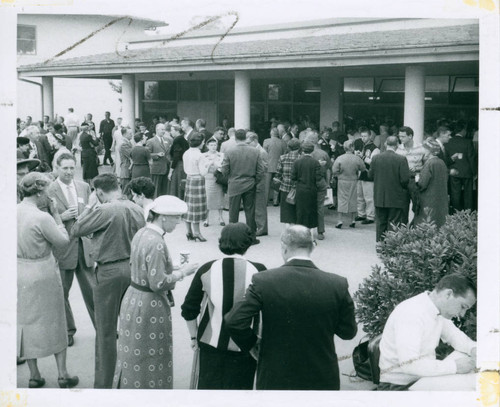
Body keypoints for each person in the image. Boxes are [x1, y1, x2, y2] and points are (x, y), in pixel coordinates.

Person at [225, 225, 357, 390]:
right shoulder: (337, 284)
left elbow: (234, 320)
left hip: (276, 375)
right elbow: (348, 332)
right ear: (313, 246)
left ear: (284, 247)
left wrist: (252, 344)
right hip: (321, 375)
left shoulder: (263, 281)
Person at [113, 196, 198, 389]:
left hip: (133, 298)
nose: (179, 222)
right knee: (151, 355)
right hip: (149, 305)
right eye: (176, 217)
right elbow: (158, 283)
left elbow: (143, 265)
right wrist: (182, 272)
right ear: (163, 217)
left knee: (133, 353)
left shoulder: (142, 233)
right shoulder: (157, 242)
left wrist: (170, 266)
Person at [71, 173, 146, 388]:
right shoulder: (136, 208)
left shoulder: (105, 209)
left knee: (105, 332)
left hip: (109, 271)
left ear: (99, 192)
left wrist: (90, 207)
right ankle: (131, 379)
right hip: (133, 269)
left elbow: (76, 229)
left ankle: (103, 385)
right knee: (132, 327)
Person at [181, 223, 267, 389]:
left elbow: (189, 309)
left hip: (210, 344)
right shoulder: (259, 270)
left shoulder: (207, 269)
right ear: (248, 243)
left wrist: (193, 337)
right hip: (245, 345)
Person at [17, 172, 79, 388]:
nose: (50, 196)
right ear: (40, 192)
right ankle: (63, 374)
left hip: (19, 270)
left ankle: (34, 374)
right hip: (42, 270)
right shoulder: (42, 217)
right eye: (48, 191)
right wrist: (56, 214)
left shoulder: (12, 212)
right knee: (55, 320)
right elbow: (63, 241)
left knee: (25, 322)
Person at [378, 274, 477, 390]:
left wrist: (473, 349)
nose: (462, 314)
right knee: (472, 388)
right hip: (398, 387)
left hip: (422, 379)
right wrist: (455, 366)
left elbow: (456, 337)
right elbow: (409, 364)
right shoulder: (411, 313)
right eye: (463, 306)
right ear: (448, 294)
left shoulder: (437, 310)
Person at [47, 153, 95, 348]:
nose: (68, 172)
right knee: (62, 294)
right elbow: (42, 219)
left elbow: (92, 211)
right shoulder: (49, 190)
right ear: (57, 168)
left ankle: (103, 328)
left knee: (93, 291)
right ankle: (67, 331)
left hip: (84, 248)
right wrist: (61, 216)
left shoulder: (83, 186)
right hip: (63, 249)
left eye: (71, 168)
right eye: (64, 168)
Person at [220, 129, 265, 245]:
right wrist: (255, 181)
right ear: (245, 137)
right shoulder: (255, 151)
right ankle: (252, 237)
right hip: (250, 183)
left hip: (234, 184)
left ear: (235, 138)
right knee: (250, 211)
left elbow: (224, 170)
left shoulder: (229, 151)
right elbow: (261, 170)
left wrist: (229, 177)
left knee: (233, 212)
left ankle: (232, 238)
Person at [368, 135, 410, 242]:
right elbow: (405, 179)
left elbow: (370, 176)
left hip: (380, 195)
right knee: (394, 222)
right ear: (397, 145)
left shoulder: (376, 158)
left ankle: (380, 245)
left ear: (386, 144)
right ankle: (391, 245)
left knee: (381, 221)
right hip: (396, 196)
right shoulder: (401, 159)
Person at [412, 138, 449, 228]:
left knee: (425, 225)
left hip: (428, 200)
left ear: (429, 151)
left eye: (425, 148)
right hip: (440, 200)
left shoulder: (429, 164)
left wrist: (417, 179)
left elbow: (422, 184)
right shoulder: (442, 163)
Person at [291, 142, 326, 234]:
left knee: (300, 211)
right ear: (312, 151)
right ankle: (311, 233)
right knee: (311, 211)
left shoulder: (297, 162)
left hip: (300, 189)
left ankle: (300, 232)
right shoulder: (315, 163)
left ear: (303, 150)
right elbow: (318, 177)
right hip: (312, 189)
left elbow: (293, 177)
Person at [332, 140, 366, 229]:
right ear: (353, 148)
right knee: (353, 199)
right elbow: (363, 168)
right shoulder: (357, 158)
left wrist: (338, 175)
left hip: (342, 180)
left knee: (342, 199)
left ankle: (340, 220)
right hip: (353, 180)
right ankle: (353, 220)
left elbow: (334, 170)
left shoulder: (340, 158)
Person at [182, 133, 209, 242]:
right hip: (198, 180)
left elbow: (185, 169)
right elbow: (203, 172)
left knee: (189, 206)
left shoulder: (186, 153)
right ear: (200, 142)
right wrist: (208, 165)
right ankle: (197, 232)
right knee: (196, 208)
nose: (203, 143)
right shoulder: (200, 155)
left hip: (189, 179)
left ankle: (189, 232)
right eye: (203, 141)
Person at [446, 121, 477, 212]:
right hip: (467, 172)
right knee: (468, 195)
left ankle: (456, 214)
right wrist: (474, 172)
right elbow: (471, 158)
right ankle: (468, 215)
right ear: (463, 130)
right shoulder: (468, 142)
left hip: (454, 171)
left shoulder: (448, 142)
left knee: (455, 194)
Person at [355, 127, 379, 225]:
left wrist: (363, 157)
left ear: (370, 136)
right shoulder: (361, 146)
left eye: (365, 136)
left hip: (369, 175)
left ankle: (370, 216)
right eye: (362, 136)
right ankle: (361, 214)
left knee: (369, 197)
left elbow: (373, 162)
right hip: (360, 174)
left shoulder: (375, 149)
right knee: (359, 196)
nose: (363, 138)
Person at [247, 132, 269, 236]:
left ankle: (262, 228)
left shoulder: (261, 152)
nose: (247, 144)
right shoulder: (255, 151)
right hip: (255, 180)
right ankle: (257, 226)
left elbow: (264, 168)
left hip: (259, 181)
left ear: (255, 141)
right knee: (255, 206)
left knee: (260, 206)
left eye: (249, 142)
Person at [276, 138, 301, 225]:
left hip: (285, 186)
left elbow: (278, 173)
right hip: (299, 187)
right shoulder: (301, 158)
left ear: (289, 147)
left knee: (286, 212)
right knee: (298, 210)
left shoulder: (282, 158)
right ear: (299, 147)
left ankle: (288, 230)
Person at [201, 137, 225, 227]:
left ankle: (220, 217)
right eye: (211, 145)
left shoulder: (221, 155)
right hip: (208, 178)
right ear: (207, 146)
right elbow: (203, 167)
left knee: (220, 198)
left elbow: (223, 166)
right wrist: (210, 164)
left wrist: (216, 165)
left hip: (218, 179)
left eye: (215, 145)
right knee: (208, 198)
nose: (213, 147)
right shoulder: (203, 155)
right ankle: (206, 219)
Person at [263, 128, 287, 206]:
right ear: (278, 134)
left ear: (271, 133)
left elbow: (264, 154)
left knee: (266, 185)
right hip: (279, 165)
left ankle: (265, 201)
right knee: (277, 184)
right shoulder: (283, 142)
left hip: (268, 165)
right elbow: (284, 154)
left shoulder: (266, 141)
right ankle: (275, 201)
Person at [146, 123, 171, 197]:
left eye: (164, 130)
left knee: (165, 190)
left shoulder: (168, 140)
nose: (163, 131)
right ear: (157, 130)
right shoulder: (151, 141)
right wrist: (156, 154)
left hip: (166, 168)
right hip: (156, 169)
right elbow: (147, 154)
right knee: (156, 190)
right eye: (162, 129)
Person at [168, 123, 189, 199]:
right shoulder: (183, 139)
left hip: (178, 166)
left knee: (176, 186)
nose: (171, 132)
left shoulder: (177, 140)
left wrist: (171, 171)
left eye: (172, 130)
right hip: (183, 165)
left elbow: (176, 156)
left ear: (177, 131)